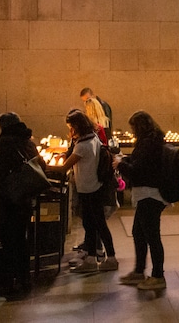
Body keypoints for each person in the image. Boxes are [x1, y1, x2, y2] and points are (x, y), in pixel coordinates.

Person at [51, 110, 119, 274]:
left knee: (98, 225)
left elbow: (63, 169)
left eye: (71, 127)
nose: (70, 131)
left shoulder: (83, 145)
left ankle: (111, 258)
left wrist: (42, 165)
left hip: (89, 189)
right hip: (91, 187)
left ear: (76, 126)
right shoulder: (92, 137)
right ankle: (90, 258)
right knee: (90, 225)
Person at [0, 112, 47, 298]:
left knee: (9, 241)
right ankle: (25, 279)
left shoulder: (6, 143)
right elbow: (41, 165)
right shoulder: (28, 141)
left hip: (10, 199)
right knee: (22, 239)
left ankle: (9, 283)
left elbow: (1, 174)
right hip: (25, 198)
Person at [116, 111, 169, 290]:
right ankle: (139, 271)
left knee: (152, 236)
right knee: (138, 232)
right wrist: (127, 159)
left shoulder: (148, 143)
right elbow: (142, 162)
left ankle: (158, 276)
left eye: (133, 128)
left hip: (150, 194)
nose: (132, 132)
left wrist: (120, 165)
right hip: (148, 193)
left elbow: (139, 170)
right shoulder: (153, 141)